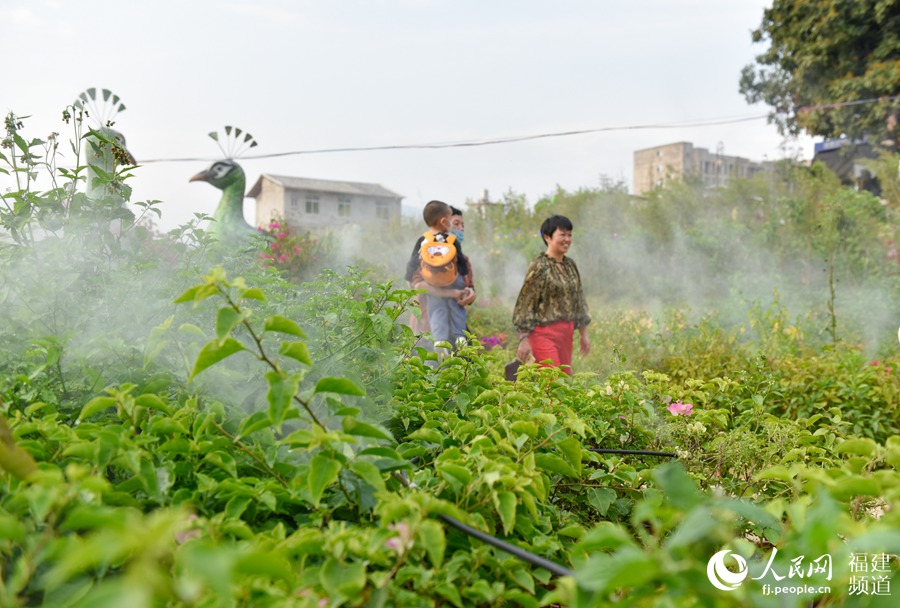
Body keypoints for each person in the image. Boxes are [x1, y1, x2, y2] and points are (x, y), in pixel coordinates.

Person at [512, 215, 590, 375]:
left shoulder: (570, 265)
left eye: (569, 235)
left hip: (566, 333)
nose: (567, 239)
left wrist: (584, 334)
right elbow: (525, 302)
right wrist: (523, 339)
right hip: (543, 333)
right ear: (548, 237)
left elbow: (579, 299)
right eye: (562, 235)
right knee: (551, 381)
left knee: (565, 381)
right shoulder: (540, 266)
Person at [406, 200, 470, 350]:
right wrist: (465, 278)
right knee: (457, 310)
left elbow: (413, 262)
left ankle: (439, 339)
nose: (459, 229)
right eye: (453, 221)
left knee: (436, 310)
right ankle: (460, 336)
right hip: (452, 280)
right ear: (444, 221)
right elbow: (461, 262)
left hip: (433, 281)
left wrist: (408, 278)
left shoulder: (423, 240)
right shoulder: (452, 240)